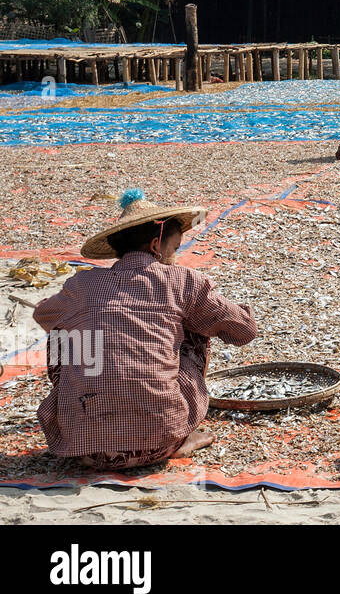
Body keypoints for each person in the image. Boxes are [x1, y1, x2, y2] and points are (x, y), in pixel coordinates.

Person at [34, 190, 257, 470]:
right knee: (197, 327)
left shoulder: (82, 285)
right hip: (160, 444)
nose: (175, 257)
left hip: (84, 450)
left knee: (63, 333)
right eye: (174, 249)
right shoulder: (183, 281)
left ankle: (90, 419)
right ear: (155, 246)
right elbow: (244, 331)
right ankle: (178, 433)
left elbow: (44, 315)